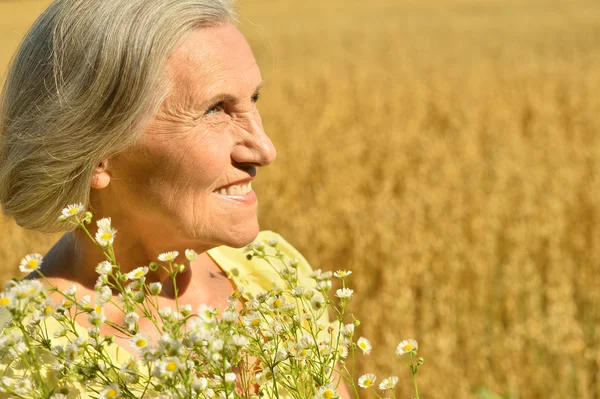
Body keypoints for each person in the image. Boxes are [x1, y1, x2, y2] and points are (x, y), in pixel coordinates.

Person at [0, 0, 346, 397]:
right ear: (97, 153)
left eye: (254, 100)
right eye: (215, 110)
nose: (265, 150)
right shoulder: (27, 363)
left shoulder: (275, 276)